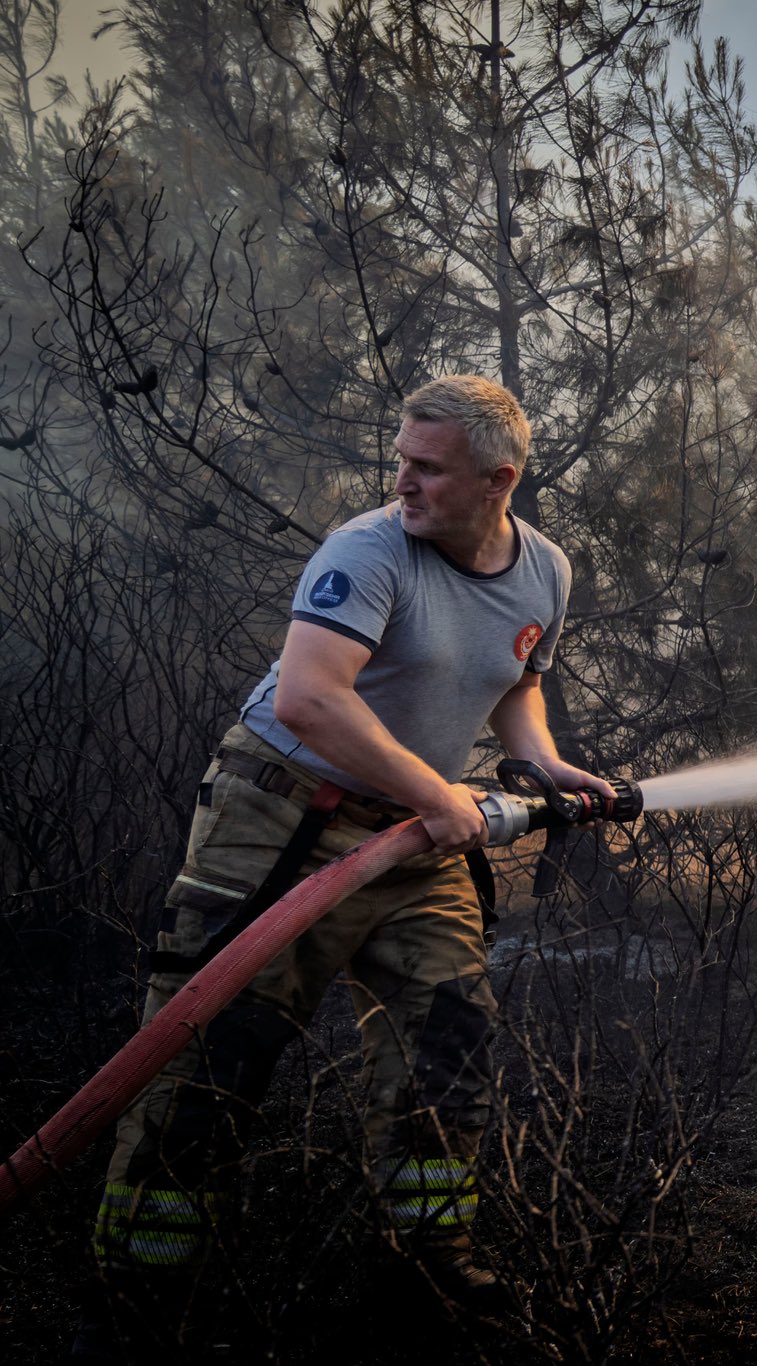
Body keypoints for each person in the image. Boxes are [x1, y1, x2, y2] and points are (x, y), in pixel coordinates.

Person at [77, 376, 609, 1353]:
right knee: (212, 1056)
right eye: (399, 459)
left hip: (415, 838)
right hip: (283, 819)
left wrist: (540, 759)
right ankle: (139, 1295)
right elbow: (311, 703)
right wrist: (440, 797)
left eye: (425, 468)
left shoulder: (546, 572)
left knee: (446, 1042)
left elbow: (516, 683)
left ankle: (426, 1260)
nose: (398, 480)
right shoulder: (366, 552)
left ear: (500, 480)